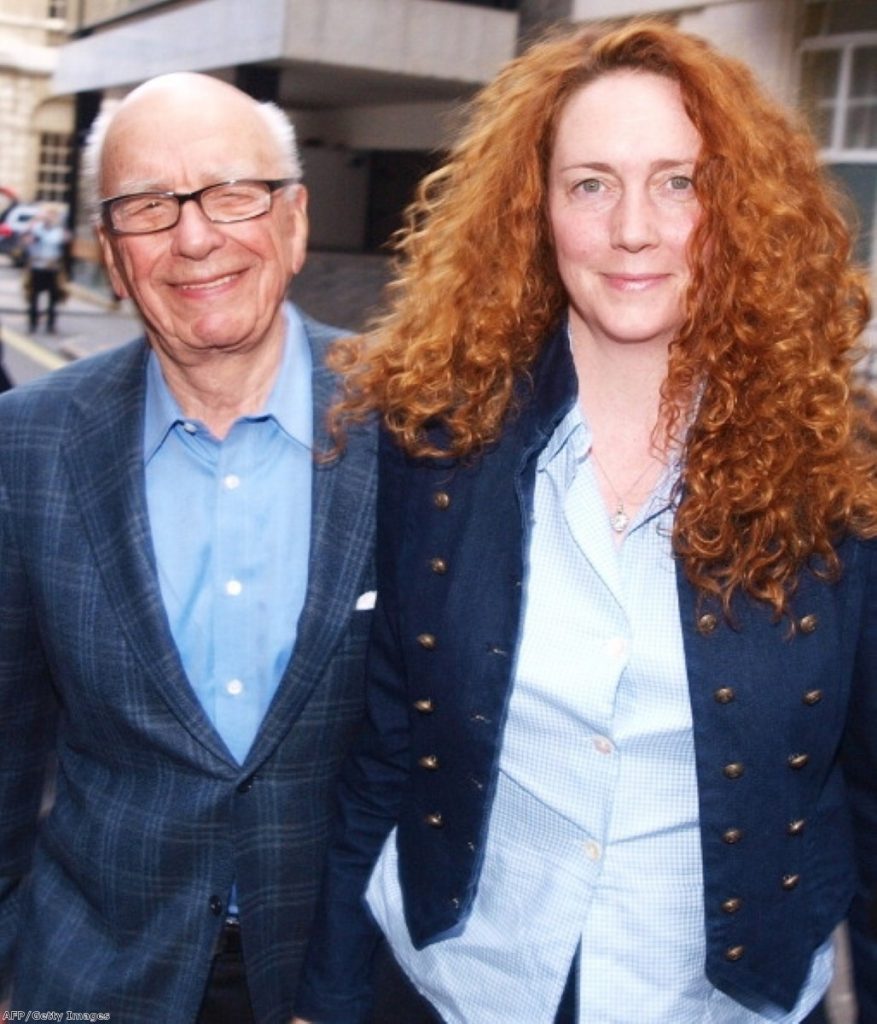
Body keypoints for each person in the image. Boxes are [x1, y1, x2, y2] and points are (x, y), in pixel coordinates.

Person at [292, 20, 877, 1024]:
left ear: (734, 208)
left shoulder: (838, 476)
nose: (633, 229)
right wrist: (325, 996)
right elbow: (384, 750)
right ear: (535, 211)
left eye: (678, 182)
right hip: (456, 986)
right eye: (591, 184)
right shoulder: (436, 448)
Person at [0, 72, 376, 1023]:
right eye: (147, 207)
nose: (195, 236)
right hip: (91, 974)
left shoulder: (421, 421)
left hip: (348, 972)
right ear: (113, 259)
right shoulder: (27, 443)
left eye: (230, 192)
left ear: (293, 222)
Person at [23, 203, 69, 334]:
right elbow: (27, 242)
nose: (50, 218)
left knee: (53, 299)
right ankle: (32, 324)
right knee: (33, 297)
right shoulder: (35, 229)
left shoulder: (59, 231)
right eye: (48, 215)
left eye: (53, 215)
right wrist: (31, 228)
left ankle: (51, 325)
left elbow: (65, 243)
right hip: (37, 267)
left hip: (52, 268)